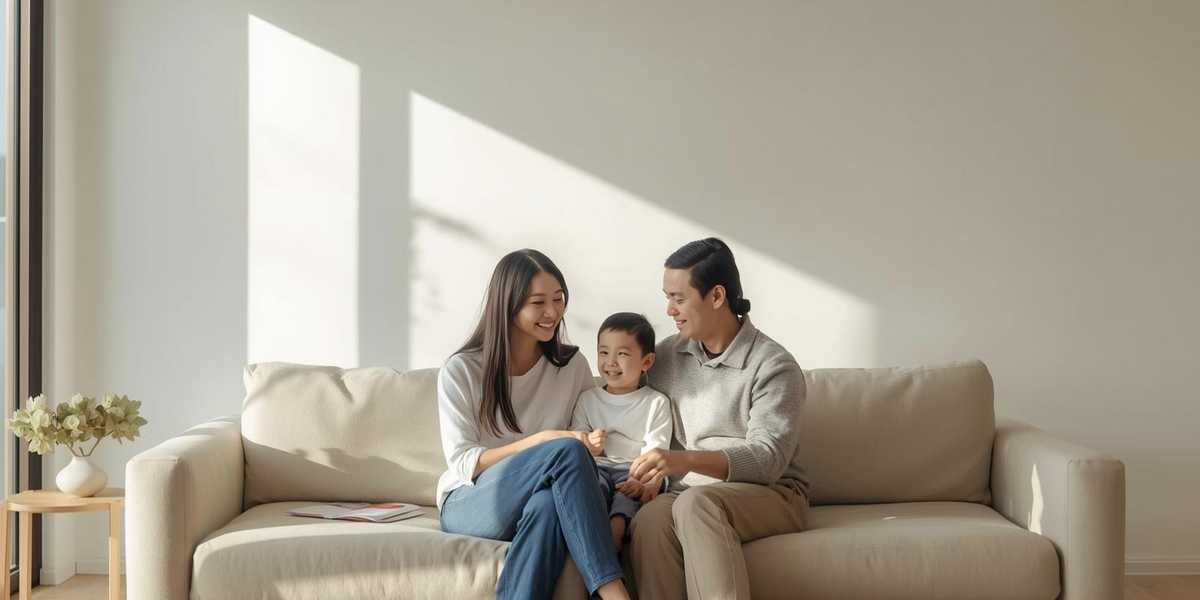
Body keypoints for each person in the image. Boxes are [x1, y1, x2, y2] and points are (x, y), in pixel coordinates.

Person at [436, 249, 631, 600]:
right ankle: (613, 591)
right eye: (538, 302)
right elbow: (465, 463)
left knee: (547, 505)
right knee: (564, 450)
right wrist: (543, 441)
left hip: (540, 496)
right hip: (471, 501)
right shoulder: (462, 370)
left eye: (558, 299)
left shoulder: (571, 366)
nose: (552, 312)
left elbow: (584, 455)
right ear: (507, 306)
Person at [629, 237, 811, 599]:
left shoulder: (773, 365)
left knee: (696, 504)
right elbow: (621, 395)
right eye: (667, 297)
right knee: (650, 519)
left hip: (771, 493)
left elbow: (768, 460)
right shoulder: (666, 356)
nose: (669, 310)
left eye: (678, 298)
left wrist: (681, 460)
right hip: (688, 492)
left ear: (716, 296)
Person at [570, 312, 672, 552]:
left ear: (646, 362)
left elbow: (656, 449)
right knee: (589, 484)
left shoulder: (655, 402)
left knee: (629, 492)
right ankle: (592, 530)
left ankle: (616, 531)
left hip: (633, 469)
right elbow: (575, 439)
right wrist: (590, 445)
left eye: (622, 354)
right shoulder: (588, 399)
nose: (610, 362)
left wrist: (640, 479)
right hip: (598, 467)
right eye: (603, 352)